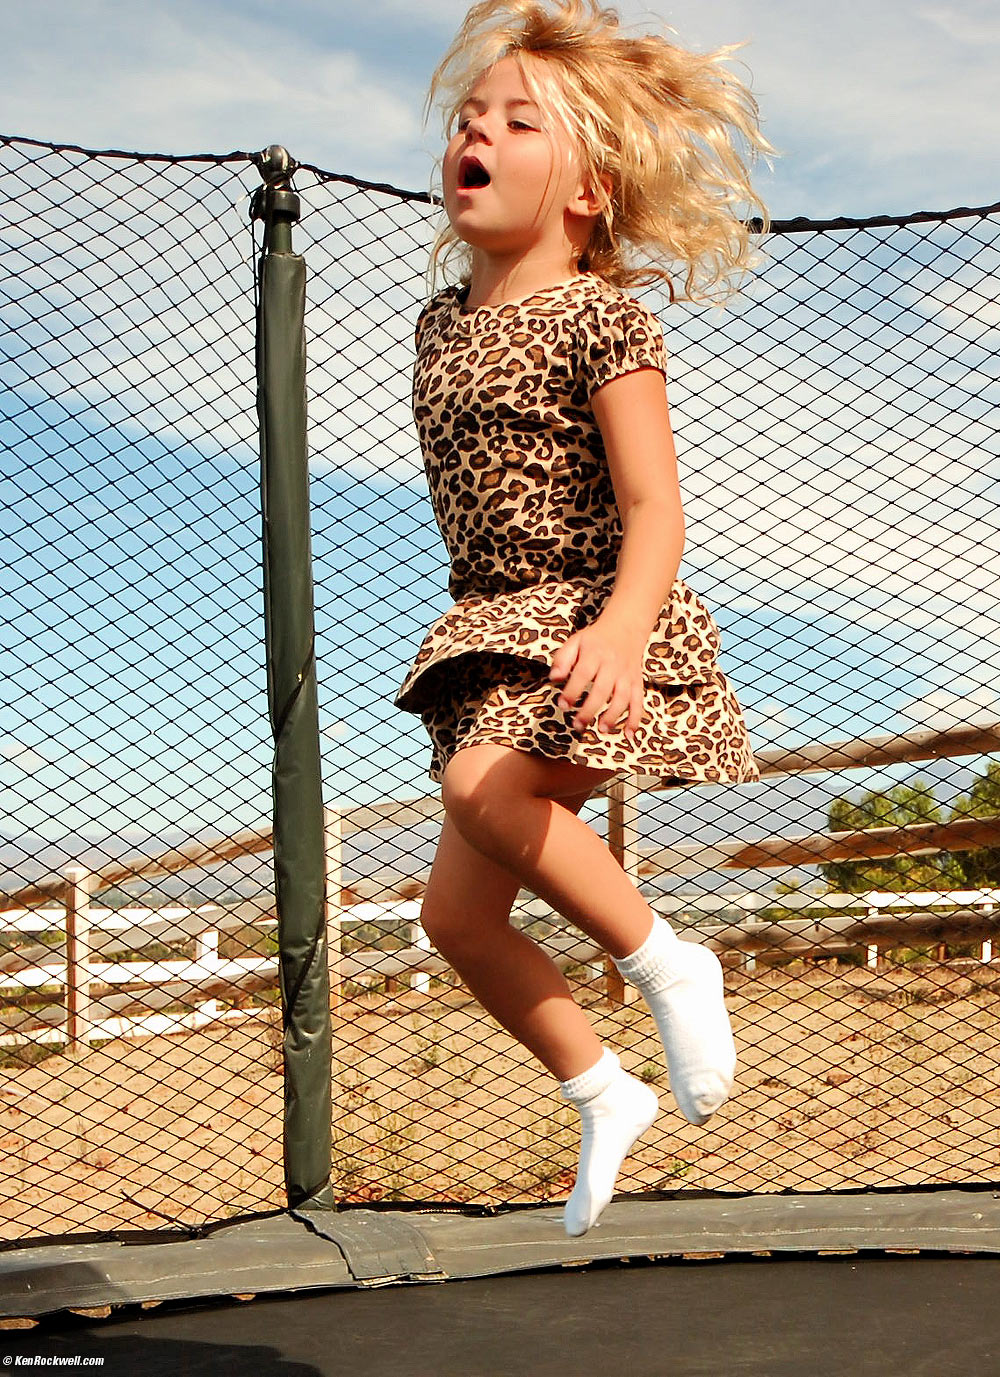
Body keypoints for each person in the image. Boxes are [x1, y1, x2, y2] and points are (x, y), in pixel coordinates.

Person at [394, 0, 773, 1237]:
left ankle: (671, 961)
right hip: (490, 622)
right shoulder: (438, 323)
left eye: (516, 121)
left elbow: (655, 504)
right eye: (468, 117)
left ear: (589, 188)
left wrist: (616, 631)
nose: (478, 132)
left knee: (484, 796)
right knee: (452, 916)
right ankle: (603, 1090)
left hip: (591, 617)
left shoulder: (605, 315)